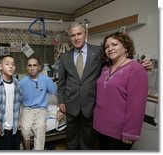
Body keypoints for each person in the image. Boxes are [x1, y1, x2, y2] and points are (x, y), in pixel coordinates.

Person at [57, 21, 152, 150]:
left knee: (88, 142)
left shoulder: (98, 52)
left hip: (91, 106)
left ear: (86, 34)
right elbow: (61, 82)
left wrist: (139, 65)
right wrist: (61, 101)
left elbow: (120, 62)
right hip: (71, 105)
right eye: (73, 35)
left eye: (79, 34)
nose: (76, 38)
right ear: (70, 37)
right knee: (71, 140)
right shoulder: (64, 57)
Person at [93, 32, 148, 150]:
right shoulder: (105, 68)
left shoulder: (136, 69)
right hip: (100, 126)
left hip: (119, 131)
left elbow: (137, 105)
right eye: (107, 46)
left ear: (125, 47)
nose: (110, 48)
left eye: (114, 44)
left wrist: (131, 132)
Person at [20, 56, 57, 150]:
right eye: (30, 65)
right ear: (27, 67)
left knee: (40, 127)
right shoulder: (22, 83)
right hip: (27, 109)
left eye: (35, 65)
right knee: (25, 129)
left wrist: (60, 109)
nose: (32, 68)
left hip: (41, 109)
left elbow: (55, 92)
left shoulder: (46, 80)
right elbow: (17, 99)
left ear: (39, 67)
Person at [0, 55, 22, 150]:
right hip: (1, 125)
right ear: (0, 66)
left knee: (15, 148)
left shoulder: (17, 84)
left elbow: (18, 104)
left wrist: (19, 120)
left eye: (13, 64)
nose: (11, 66)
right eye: (7, 64)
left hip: (14, 125)